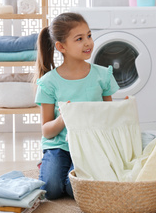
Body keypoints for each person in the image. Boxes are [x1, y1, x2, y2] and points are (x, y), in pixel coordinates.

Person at [34, 12, 120, 199]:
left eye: (89, 35)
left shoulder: (102, 75)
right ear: (61, 46)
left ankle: (69, 174)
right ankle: (50, 165)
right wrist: (65, 117)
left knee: (77, 190)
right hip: (59, 146)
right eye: (79, 39)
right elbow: (47, 131)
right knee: (51, 190)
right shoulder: (49, 82)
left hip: (91, 143)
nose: (88, 43)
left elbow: (110, 117)